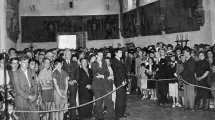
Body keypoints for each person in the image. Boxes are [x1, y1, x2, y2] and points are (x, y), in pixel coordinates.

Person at [13, 54, 40, 120]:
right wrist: (28, 96)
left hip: (32, 99)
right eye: (24, 62)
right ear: (20, 62)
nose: (26, 64)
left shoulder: (31, 71)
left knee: (35, 116)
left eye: (27, 62)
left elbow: (35, 84)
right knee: (23, 118)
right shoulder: (16, 73)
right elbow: (17, 89)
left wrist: (36, 95)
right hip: (22, 100)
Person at [91, 51, 116, 120]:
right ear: (96, 56)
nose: (100, 57)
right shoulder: (93, 63)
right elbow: (96, 72)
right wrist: (101, 68)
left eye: (102, 56)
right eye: (99, 55)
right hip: (97, 85)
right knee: (98, 102)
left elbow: (107, 73)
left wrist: (102, 76)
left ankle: (112, 116)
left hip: (105, 84)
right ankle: (100, 116)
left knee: (109, 100)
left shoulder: (104, 63)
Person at [62, 49, 79, 120]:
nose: (69, 55)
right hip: (64, 85)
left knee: (73, 101)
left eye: (70, 54)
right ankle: (64, 117)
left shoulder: (75, 63)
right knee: (64, 101)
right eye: (67, 54)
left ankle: (73, 117)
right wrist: (67, 81)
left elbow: (78, 73)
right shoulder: (61, 63)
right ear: (64, 55)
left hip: (73, 84)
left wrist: (75, 80)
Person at [111, 48, 127, 118]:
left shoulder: (119, 60)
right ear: (116, 53)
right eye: (120, 52)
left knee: (122, 97)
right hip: (119, 82)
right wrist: (122, 81)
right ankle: (119, 114)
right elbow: (117, 74)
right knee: (120, 98)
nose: (121, 54)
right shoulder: (115, 61)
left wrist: (125, 80)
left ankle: (122, 112)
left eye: (121, 52)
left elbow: (122, 72)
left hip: (122, 81)